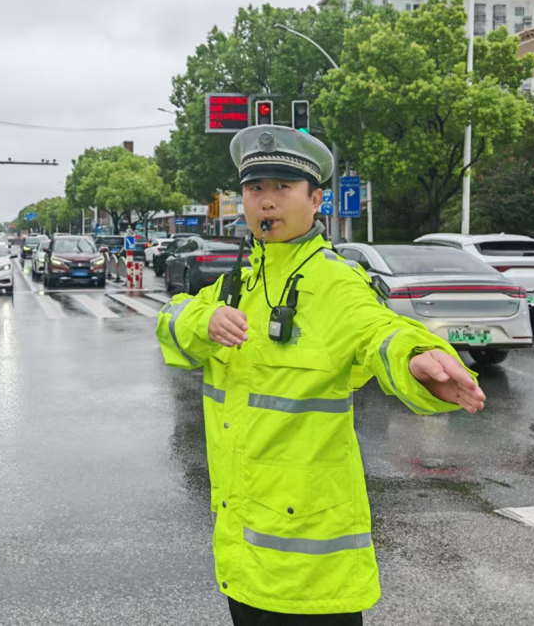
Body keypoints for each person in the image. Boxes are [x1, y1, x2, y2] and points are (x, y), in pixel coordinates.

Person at [156, 125, 486, 625]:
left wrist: (416, 358)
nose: (267, 201)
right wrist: (203, 320)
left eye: (282, 187)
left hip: (314, 573)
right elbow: (171, 322)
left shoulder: (336, 281)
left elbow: (379, 329)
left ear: (316, 201)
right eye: (255, 188)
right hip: (242, 560)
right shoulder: (237, 284)